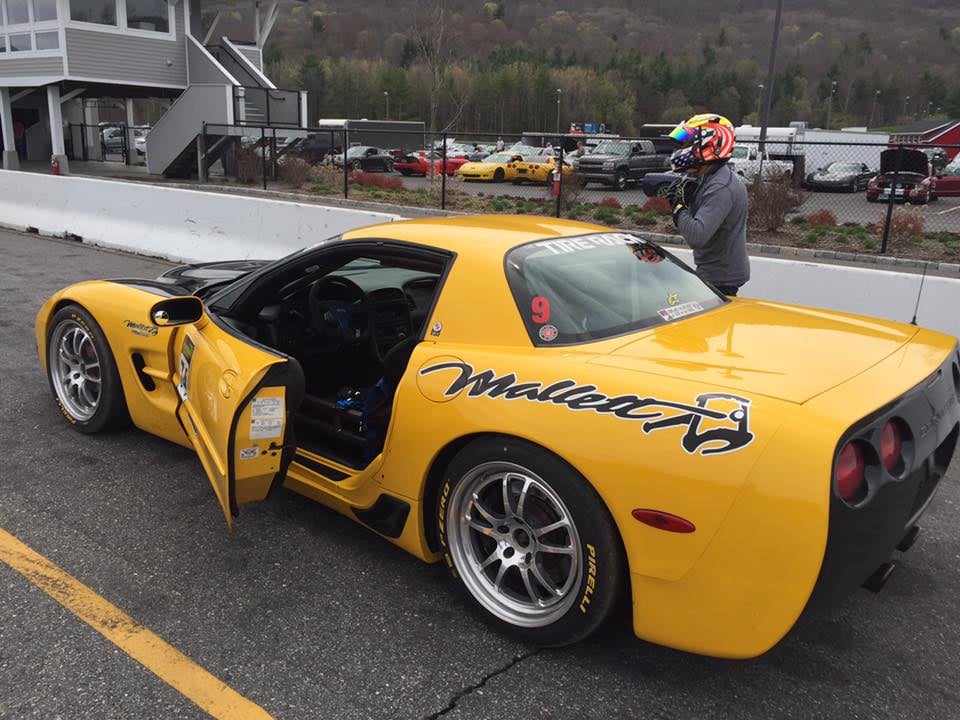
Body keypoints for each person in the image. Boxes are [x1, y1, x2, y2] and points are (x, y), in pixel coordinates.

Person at [664, 112, 749, 297]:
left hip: (721, 278)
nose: (684, 148)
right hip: (712, 271)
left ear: (711, 144)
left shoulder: (720, 187)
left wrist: (678, 207)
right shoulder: (708, 177)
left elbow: (696, 235)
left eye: (689, 143)